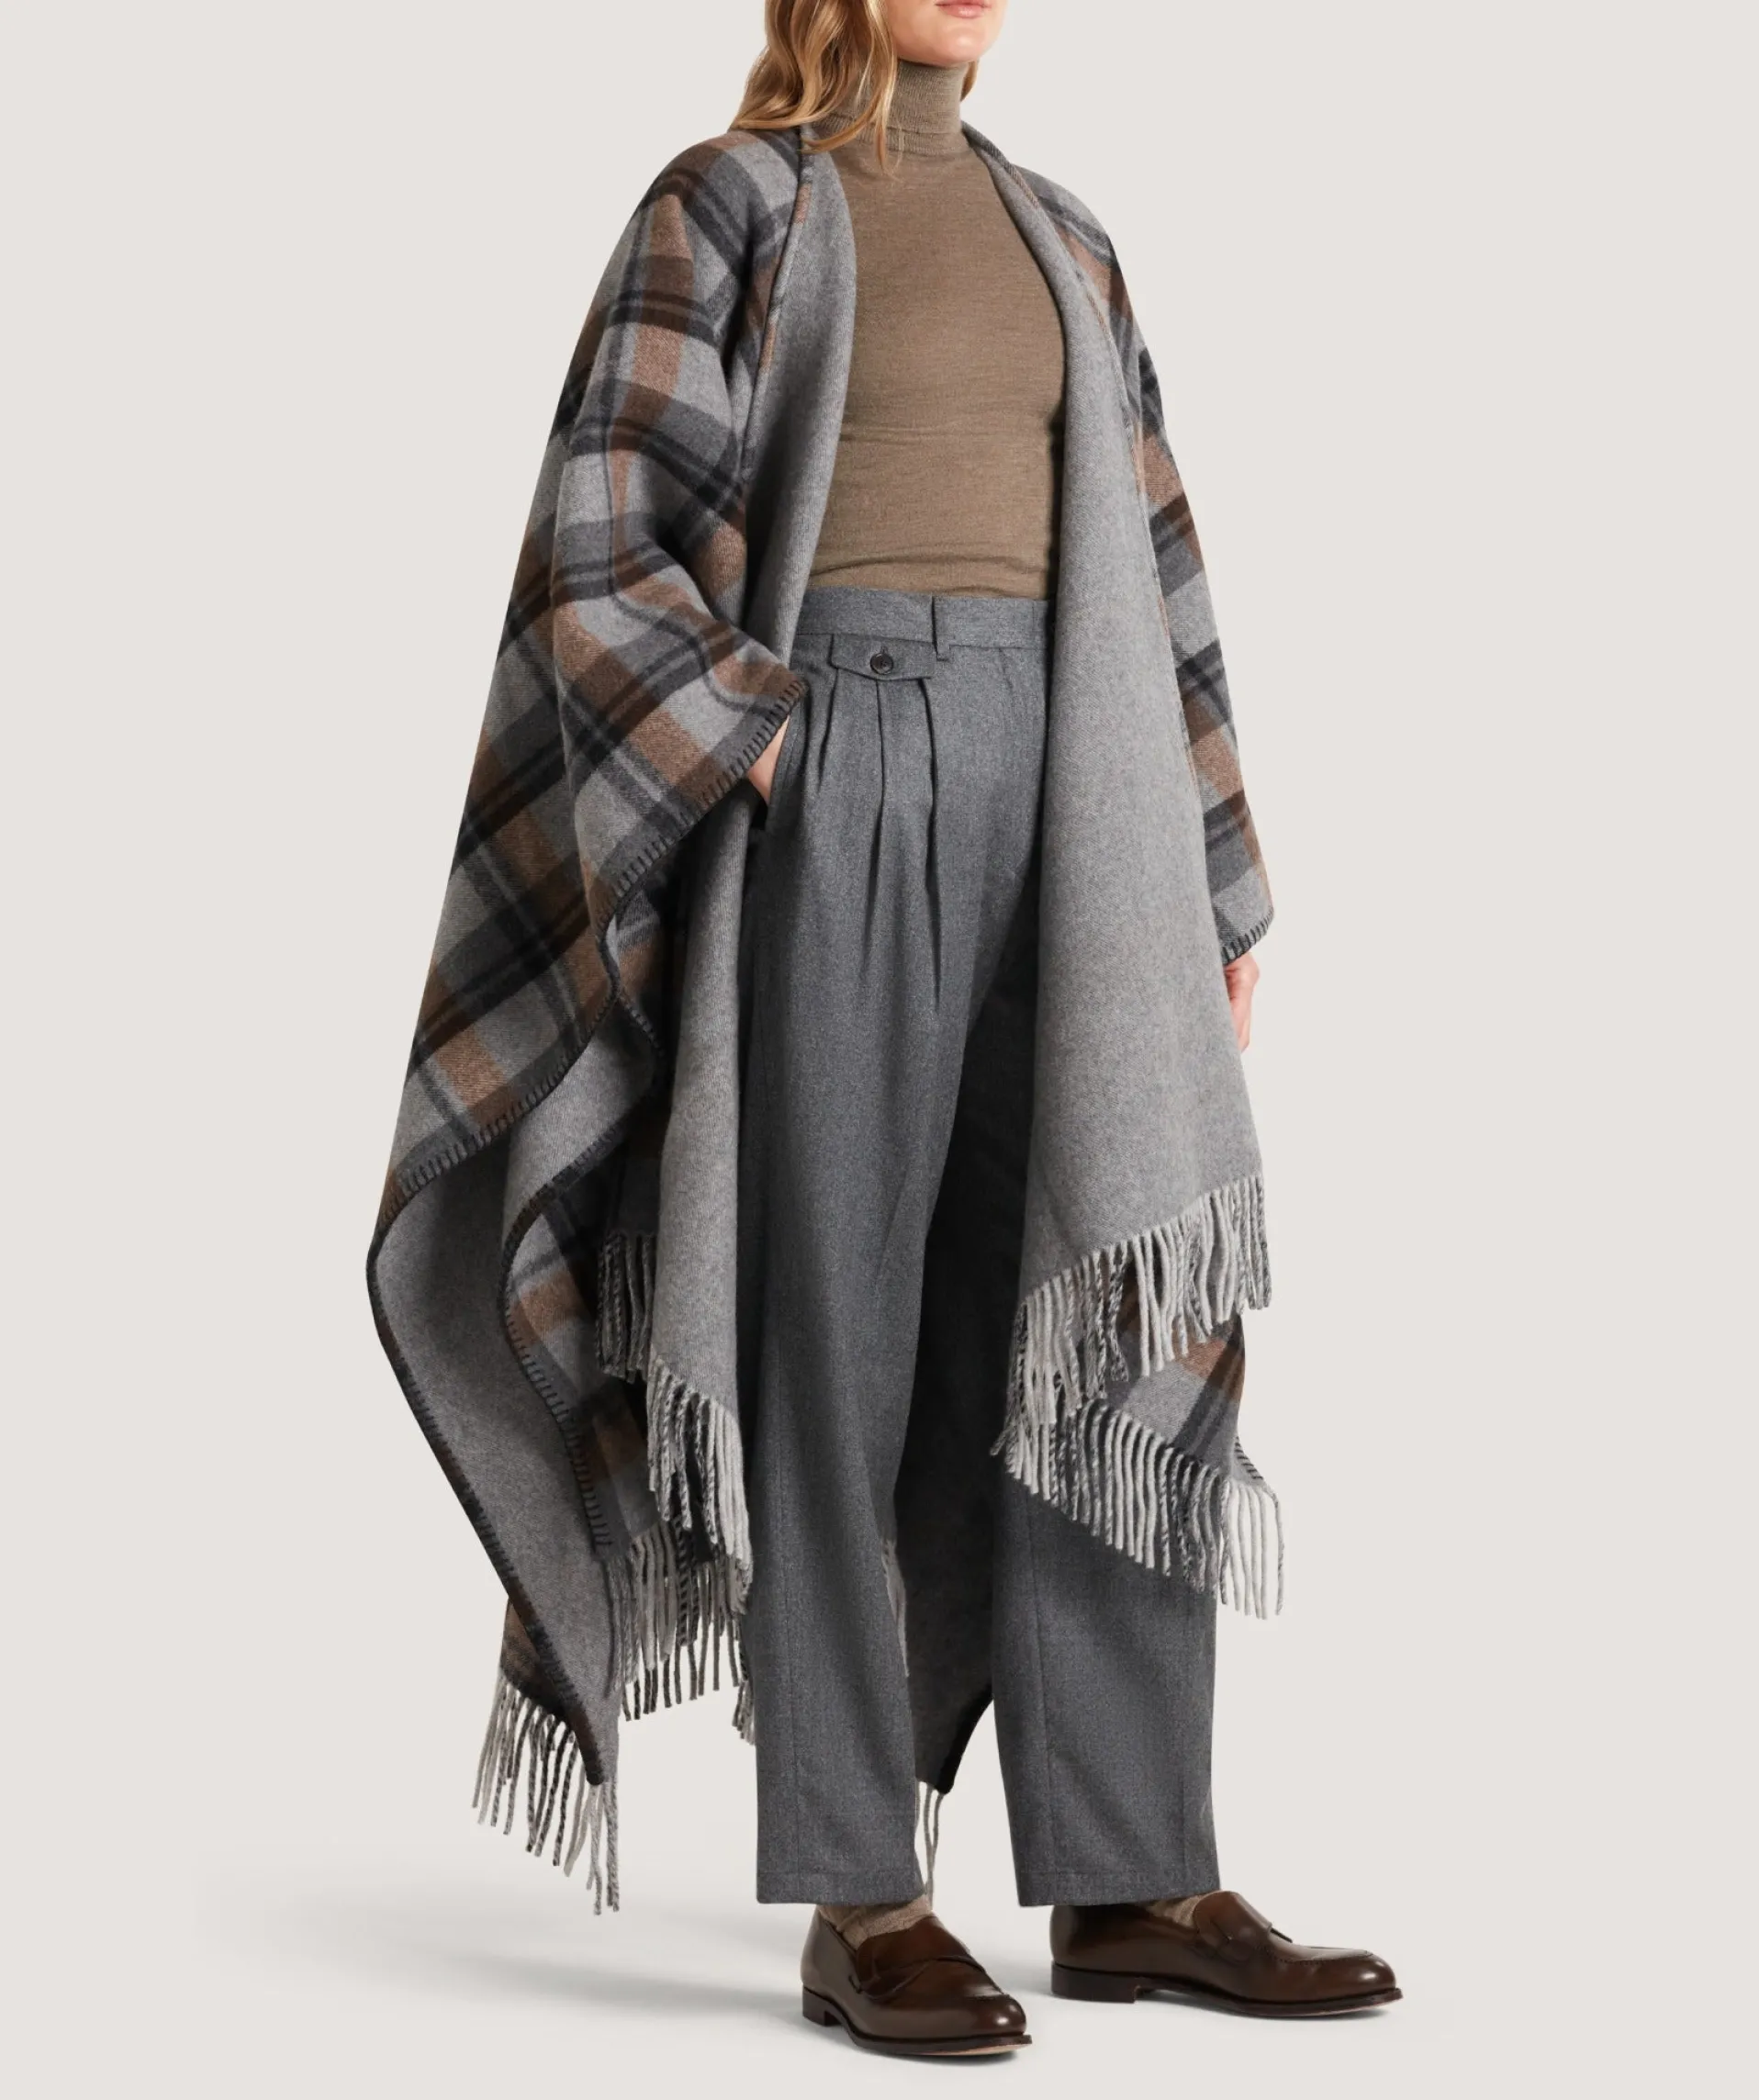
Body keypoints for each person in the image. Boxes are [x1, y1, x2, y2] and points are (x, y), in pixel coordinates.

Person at [368, 0, 1398, 2060]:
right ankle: (864, 1886)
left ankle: (1134, 1873)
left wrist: (1207, 872)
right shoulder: (732, 207)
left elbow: (1159, 570)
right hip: (840, 767)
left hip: (1084, 797)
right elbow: (599, 551)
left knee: (1107, 1295)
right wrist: (776, 748)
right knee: (829, 1325)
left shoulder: (1064, 237)